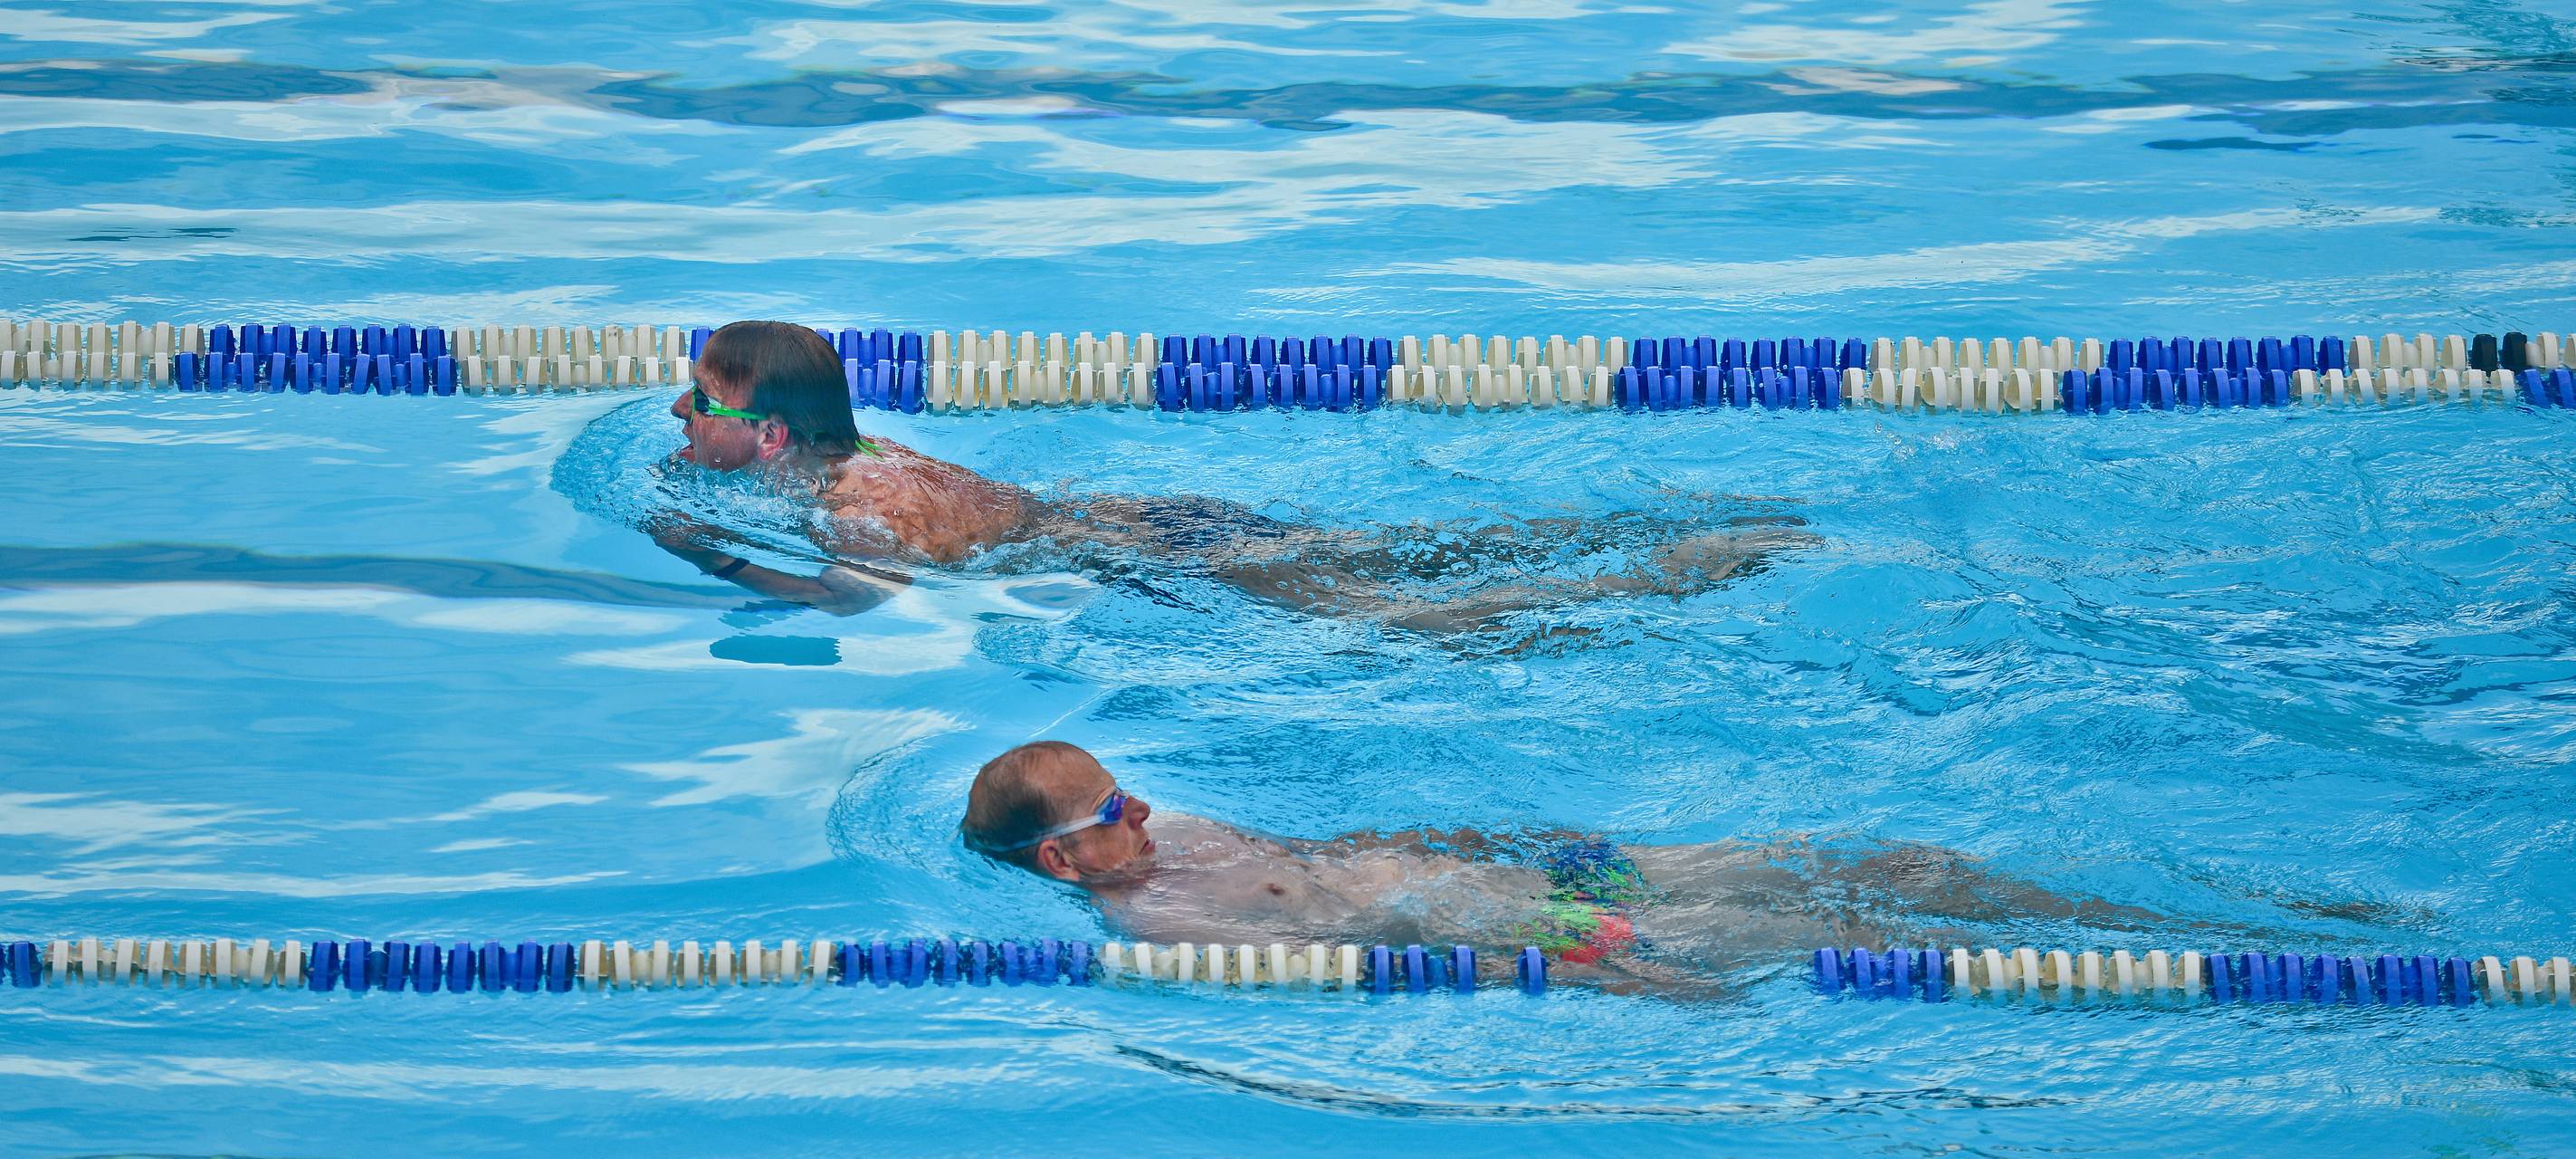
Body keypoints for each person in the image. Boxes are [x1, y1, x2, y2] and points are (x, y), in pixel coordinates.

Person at [650, 321, 1808, 631]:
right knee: (1403, 561)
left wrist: (714, 554)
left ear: (766, 439)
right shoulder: (863, 450)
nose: (679, 409)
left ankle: (1672, 574)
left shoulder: (852, 499)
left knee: (1424, 618)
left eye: (703, 400)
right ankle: (1682, 534)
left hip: (1133, 552)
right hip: (1153, 520)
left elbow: (870, 595)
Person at [957, 741, 2235, 996]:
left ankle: (2228, 917)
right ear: (1067, 856)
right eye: (1122, 805)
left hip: (1563, 874)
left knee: (1901, 865)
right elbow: (1397, 960)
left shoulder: (1175, 846)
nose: (1151, 806)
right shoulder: (1173, 935)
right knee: (1882, 941)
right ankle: (2216, 964)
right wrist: (1611, 977)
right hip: (1567, 931)